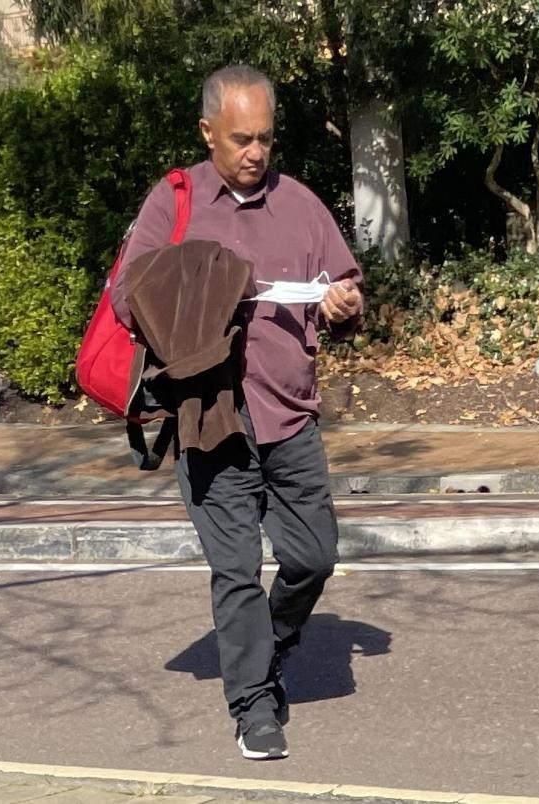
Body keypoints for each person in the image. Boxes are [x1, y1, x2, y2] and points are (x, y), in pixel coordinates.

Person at [112, 65, 363, 760]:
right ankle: (252, 703)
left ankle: (266, 655)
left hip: (291, 417)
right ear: (207, 133)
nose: (255, 152)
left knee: (312, 558)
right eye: (240, 138)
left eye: (266, 138)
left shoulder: (301, 204)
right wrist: (205, 285)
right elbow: (131, 299)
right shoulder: (175, 202)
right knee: (234, 571)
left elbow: (343, 285)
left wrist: (344, 304)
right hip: (209, 418)